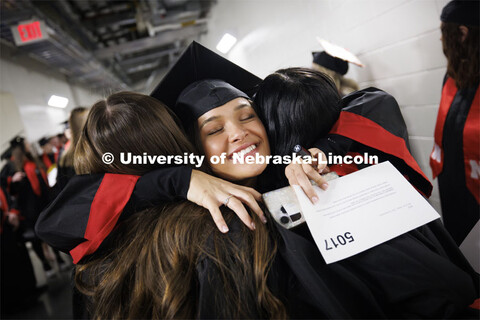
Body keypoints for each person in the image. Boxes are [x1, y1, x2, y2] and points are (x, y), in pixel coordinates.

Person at [430, 0, 479, 248]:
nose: (440, 40)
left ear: (462, 33)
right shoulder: (452, 77)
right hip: (454, 189)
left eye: (443, 32)